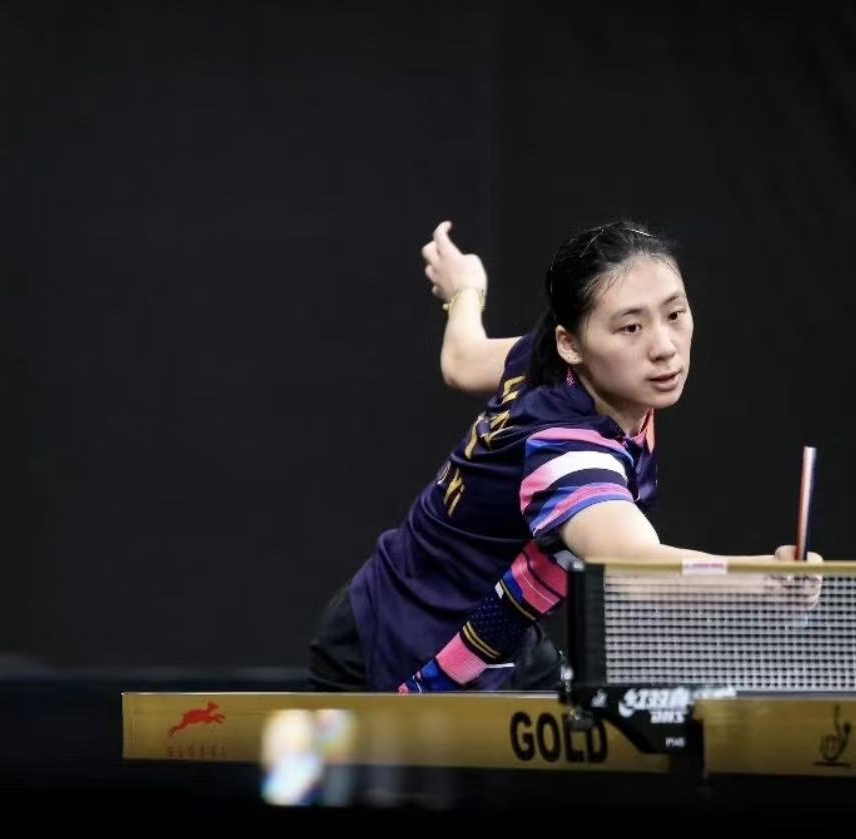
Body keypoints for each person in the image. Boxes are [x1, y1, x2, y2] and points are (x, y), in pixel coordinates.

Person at [308, 219, 820, 693]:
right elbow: (631, 568)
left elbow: (463, 361)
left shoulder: (553, 360)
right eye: (631, 327)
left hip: (497, 629)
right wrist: (767, 580)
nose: (665, 346)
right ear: (571, 343)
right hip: (403, 639)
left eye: (674, 314)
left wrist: (465, 287)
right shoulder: (566, 449)